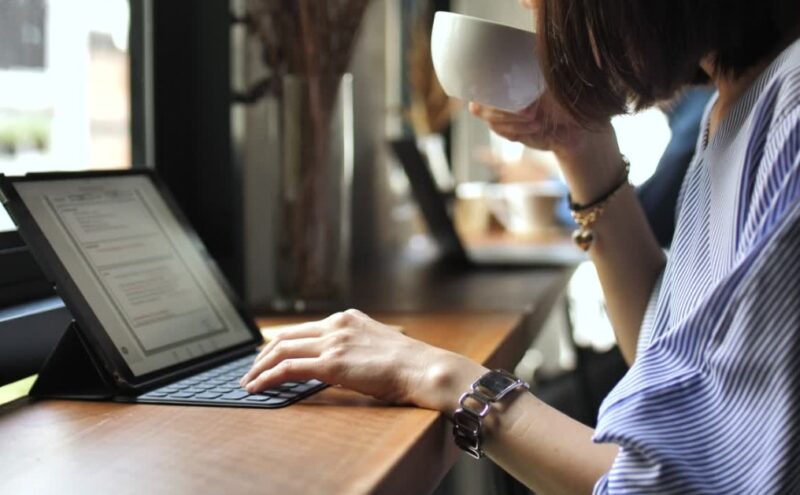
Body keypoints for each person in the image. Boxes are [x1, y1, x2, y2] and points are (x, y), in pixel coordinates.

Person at [241, 0, 800, 492]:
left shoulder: (790, 119)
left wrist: (445, 379)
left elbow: (682, 482)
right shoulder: (739, 102)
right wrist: (578, 144)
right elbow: (671, 359)